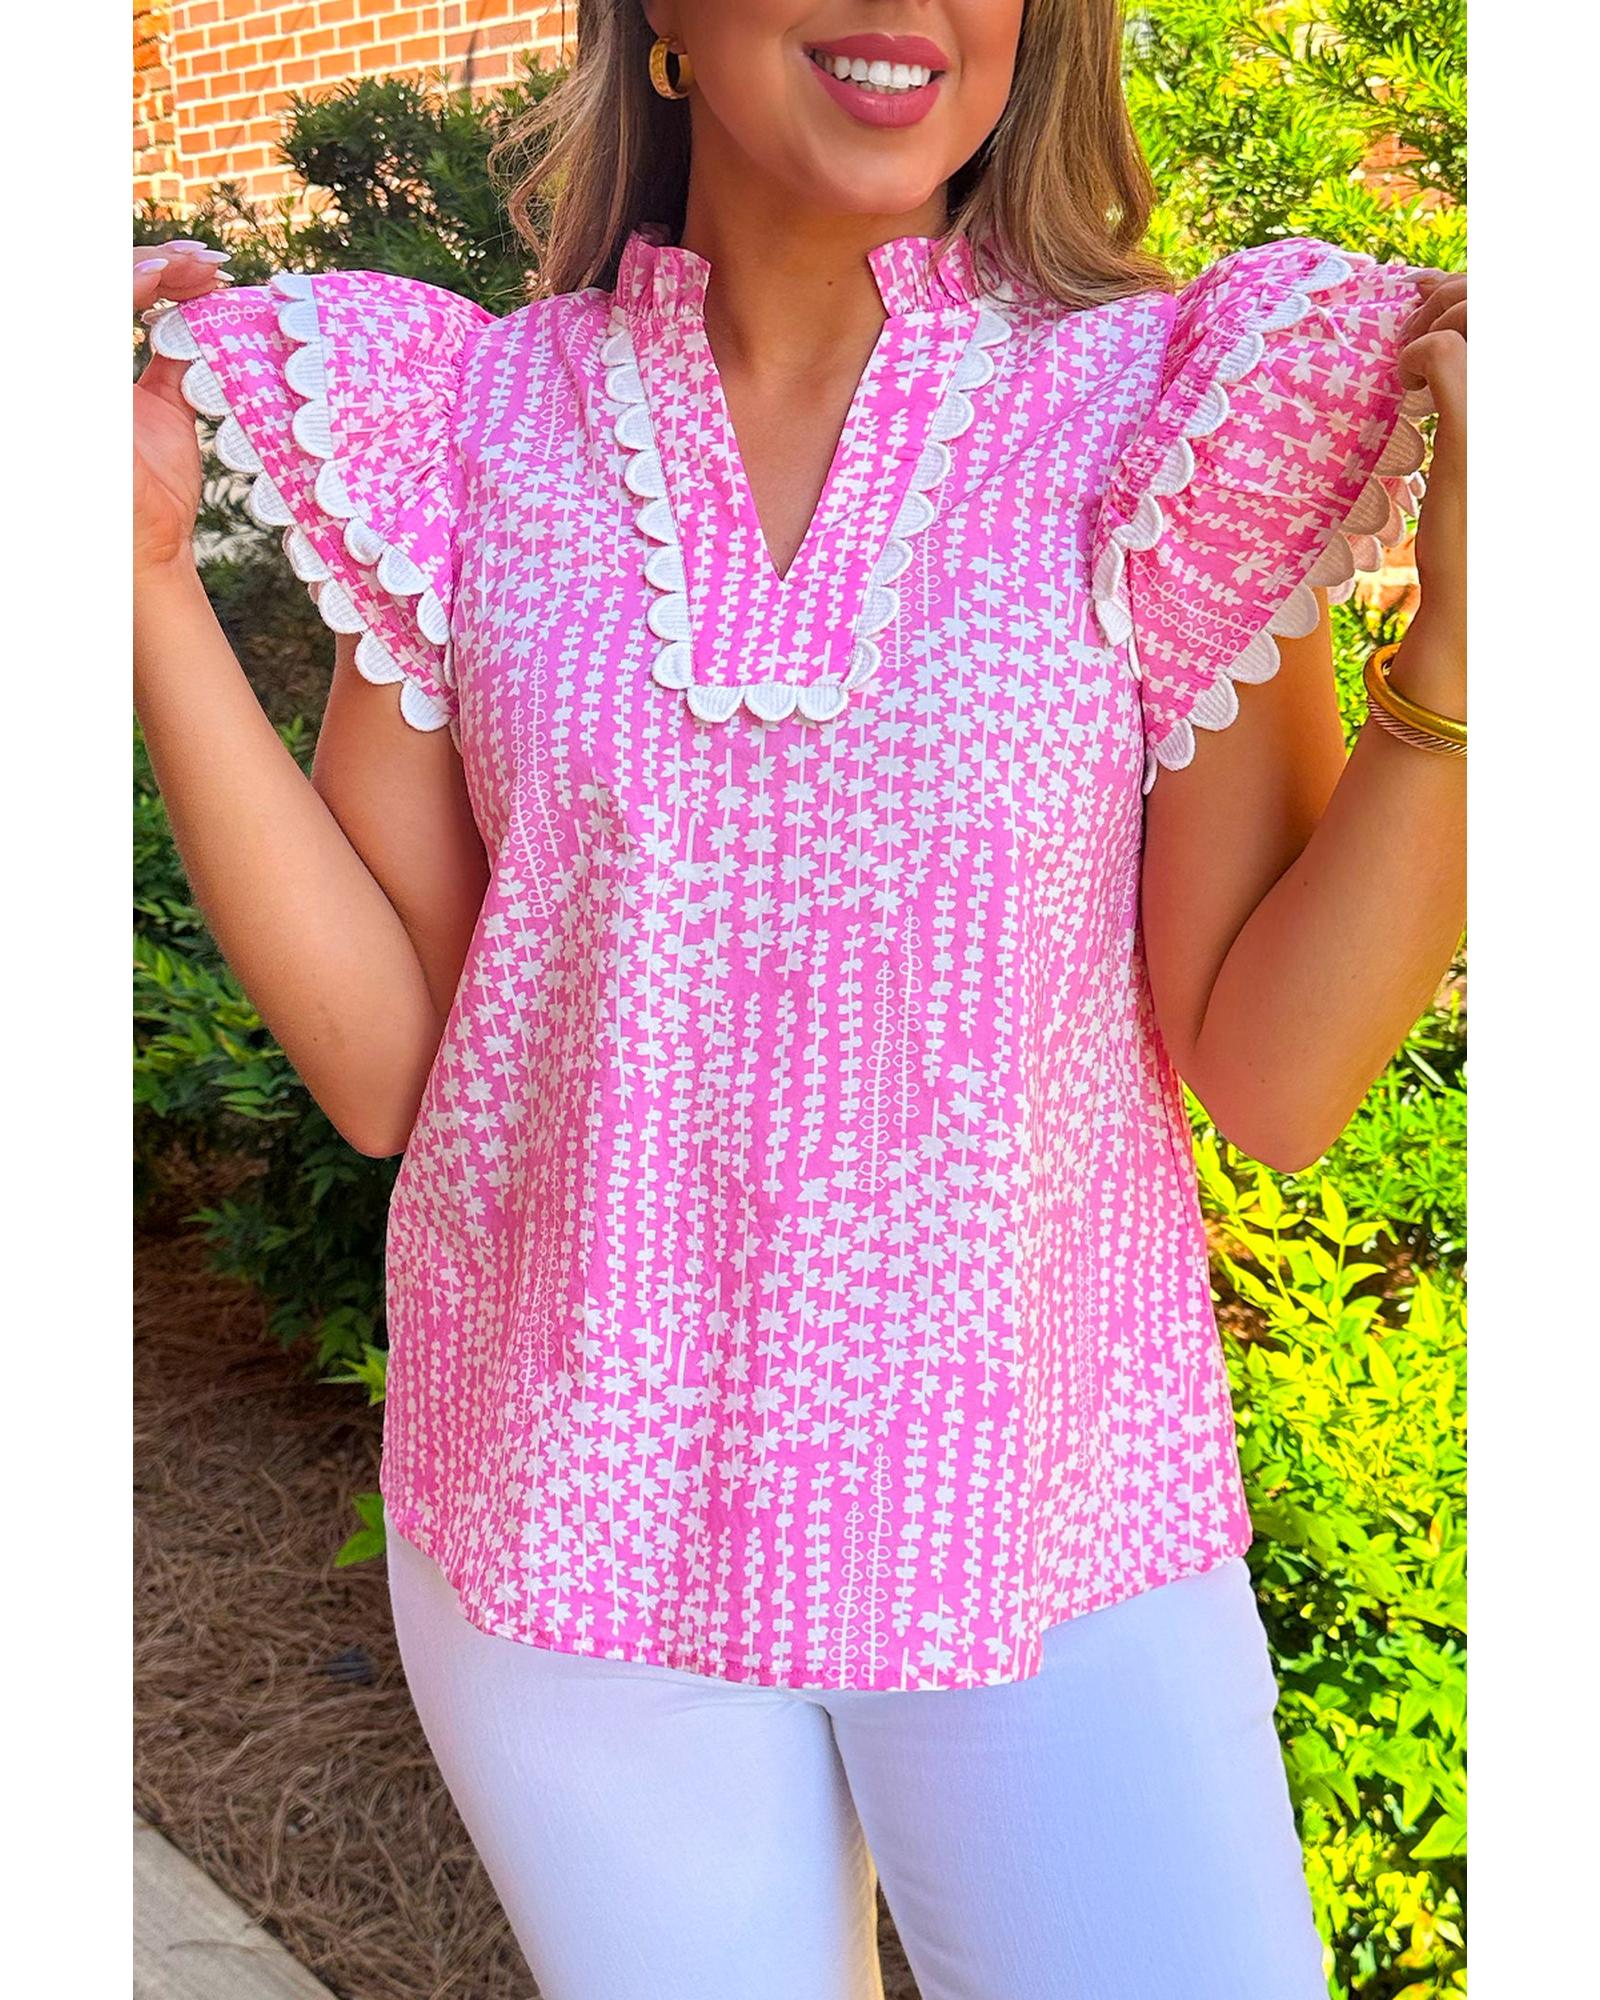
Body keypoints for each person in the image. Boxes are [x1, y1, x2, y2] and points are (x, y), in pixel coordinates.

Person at [132, 4, 1467, 1995]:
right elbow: (394, 1062)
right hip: (567, 1540)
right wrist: (141, 579)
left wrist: (1476, 643)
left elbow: (1272, 1082)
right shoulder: (467, 425)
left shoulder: (1171, 416)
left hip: (1047, 1523)